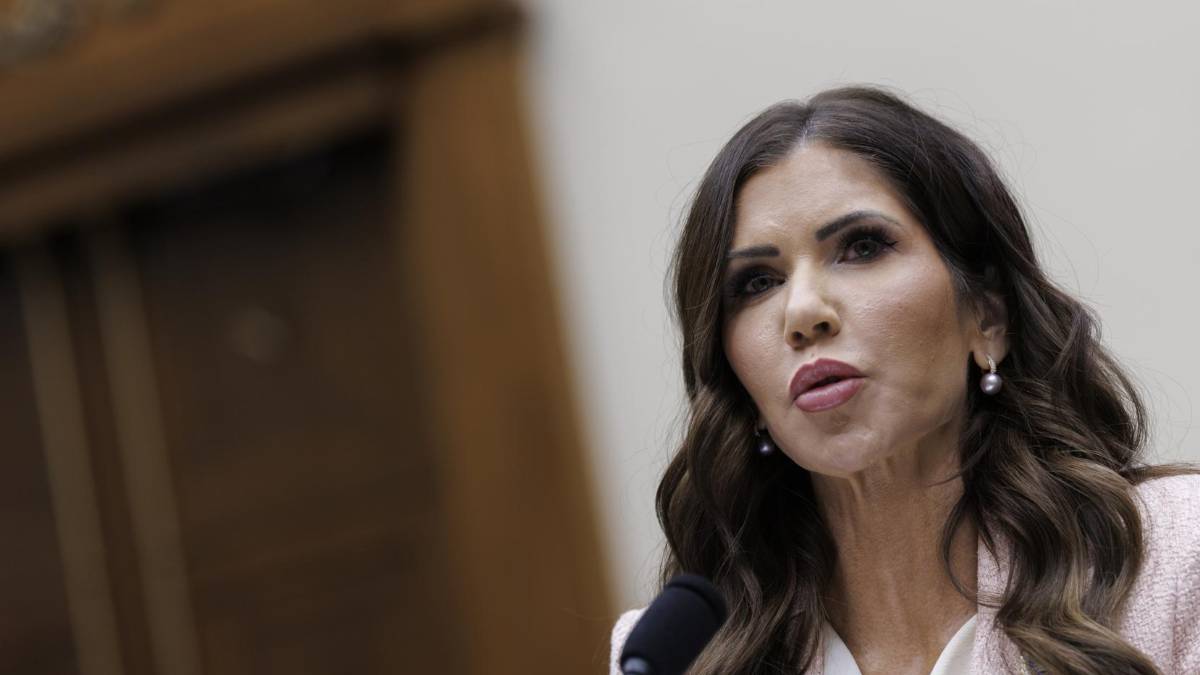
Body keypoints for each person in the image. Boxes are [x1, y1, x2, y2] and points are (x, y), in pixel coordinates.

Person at [609, 86, 1200, 675]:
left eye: (862, 247)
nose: (803, 312)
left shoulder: (1178, 559)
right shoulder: (677, 657)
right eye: (757, 282)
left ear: (988, 317)